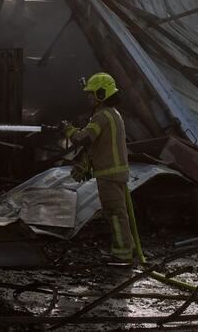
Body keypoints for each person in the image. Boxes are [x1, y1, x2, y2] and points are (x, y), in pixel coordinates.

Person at [63, 72, 142, 264]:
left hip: (109, 174)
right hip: (115, 173)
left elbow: (85, 138)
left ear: (101, 94)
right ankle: (129, 248)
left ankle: (122, 255)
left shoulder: (101, 116)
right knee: (120, 213)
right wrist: (85, 163)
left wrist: (68, 129)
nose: (88, 97)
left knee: (115, 214)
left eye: (91, 94)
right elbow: (99, 145)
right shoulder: (112, 114)